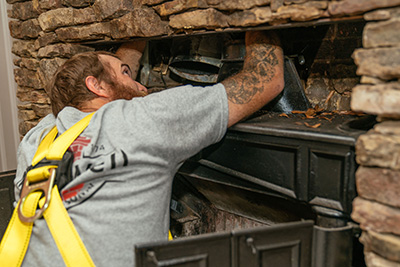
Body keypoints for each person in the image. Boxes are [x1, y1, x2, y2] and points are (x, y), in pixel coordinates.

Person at [14, 30, 284, 266]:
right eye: (126, 73)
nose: (141, 85)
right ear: (94, 85)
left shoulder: (39, 137)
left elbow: (110, 83)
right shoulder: (142, 119)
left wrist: (138, 37)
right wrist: (254, 12)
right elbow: (266, 79)